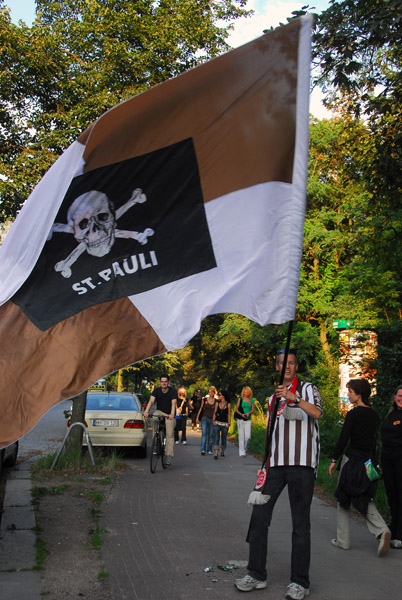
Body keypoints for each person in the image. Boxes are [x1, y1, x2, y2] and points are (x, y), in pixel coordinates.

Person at [235, 349, 322, 600]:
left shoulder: (307, 388)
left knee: (300, 524)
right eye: (283, 363)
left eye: (292, 363)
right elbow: (272, 432)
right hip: (275, 465)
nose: (287, 367)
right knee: (259, 517)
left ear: (296, 366)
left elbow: (317, 413)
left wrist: (294, 398)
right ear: (276, 367)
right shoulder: (273, 397)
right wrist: (264, 462)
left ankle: (299, 582)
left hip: (302, 465)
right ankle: (256, 574)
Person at [329, 378, 391, 557]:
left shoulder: (353, 414)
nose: (348, 395)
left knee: (343, 498)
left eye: (350, 392)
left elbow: (343, 438)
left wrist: (334, 459)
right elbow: (373, 442)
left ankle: (343, 541)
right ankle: (381, 530)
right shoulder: (374, 415)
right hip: (367, 462)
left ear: (359, 394)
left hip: (351, 460)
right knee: (364, 496)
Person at [381, 384, 402, 549]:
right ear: (394, 397)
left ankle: (400, 535)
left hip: (399, 461)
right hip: (387, 461)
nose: (400, 398)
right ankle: (393, 531)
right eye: (399, 395)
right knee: (392, 497)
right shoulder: (391, 414)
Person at [144, 375, 177, 467]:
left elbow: (173, 403)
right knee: (154, 416)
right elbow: (151, 401)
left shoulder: (173, 391)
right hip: (160, 412)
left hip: (169, 414)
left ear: (168, 382)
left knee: (170, 434)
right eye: (162, 381)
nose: (164, 383)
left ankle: (169, 455)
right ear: (160, 382)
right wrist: (146, 412)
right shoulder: (157, 391)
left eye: (165, 381)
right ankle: (156, 435)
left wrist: (172, 414)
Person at [235, 386, 255, 457]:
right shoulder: (240, 399)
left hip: (248, 419)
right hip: (240, 419)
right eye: (245, 392)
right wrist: (241, 414)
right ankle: (241, 451)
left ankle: (245, 447)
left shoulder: (251, 400)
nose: (246, 393)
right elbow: (236, 409)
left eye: (247, 392)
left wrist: (248, 413)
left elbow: (253, 410)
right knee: (241, 435)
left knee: (248, 436)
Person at [197, 386, 217, 455]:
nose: (211, 393)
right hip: (204, 418)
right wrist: (197, 418)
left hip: (212, 419)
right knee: (204, 434)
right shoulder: (205, 400)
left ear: (214, 392)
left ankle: (209, 449)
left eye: (212, 392)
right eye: (209, 392)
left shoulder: (216, 401)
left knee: (211, 434)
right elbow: (201, 408)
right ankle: (203, 449)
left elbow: (216, 411)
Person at [212, 390, 231, 459]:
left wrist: (229, 423)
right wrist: (213, 420)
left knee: (223, 438)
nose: (218, 396)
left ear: (223, 396)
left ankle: (222, 451)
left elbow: (229, 414)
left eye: (219, 395)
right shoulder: (217, 403)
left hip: (224, 423)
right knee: (216, 437)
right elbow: (215, 412)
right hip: (217, 422)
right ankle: (216, 453)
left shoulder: (228, 404)